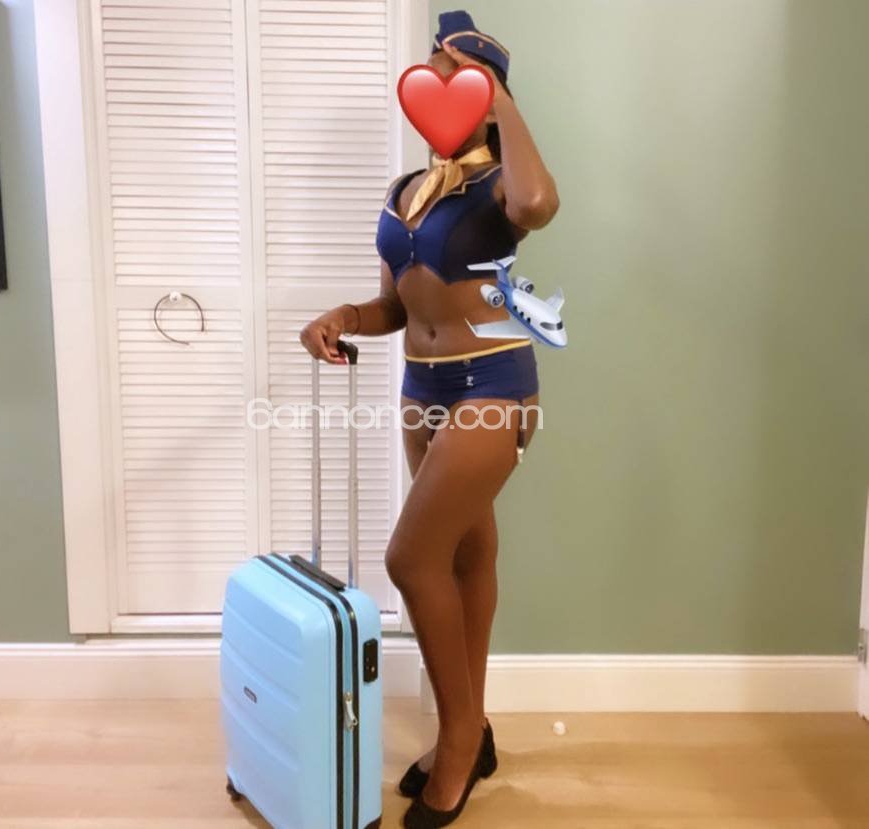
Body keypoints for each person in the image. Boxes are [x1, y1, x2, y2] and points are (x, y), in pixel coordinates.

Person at [300, 10, 559, 827]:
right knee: (466, 551)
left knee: (411, 558)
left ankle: (458, 741)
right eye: (434, 73)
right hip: (423, 390)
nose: (439, 88)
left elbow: (541, 202)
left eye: (459, 79)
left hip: (493, 385)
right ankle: (472, 729)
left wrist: (497, 96)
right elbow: (393, 307)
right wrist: (343, 316)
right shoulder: (405, 190)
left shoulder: (501, 187)